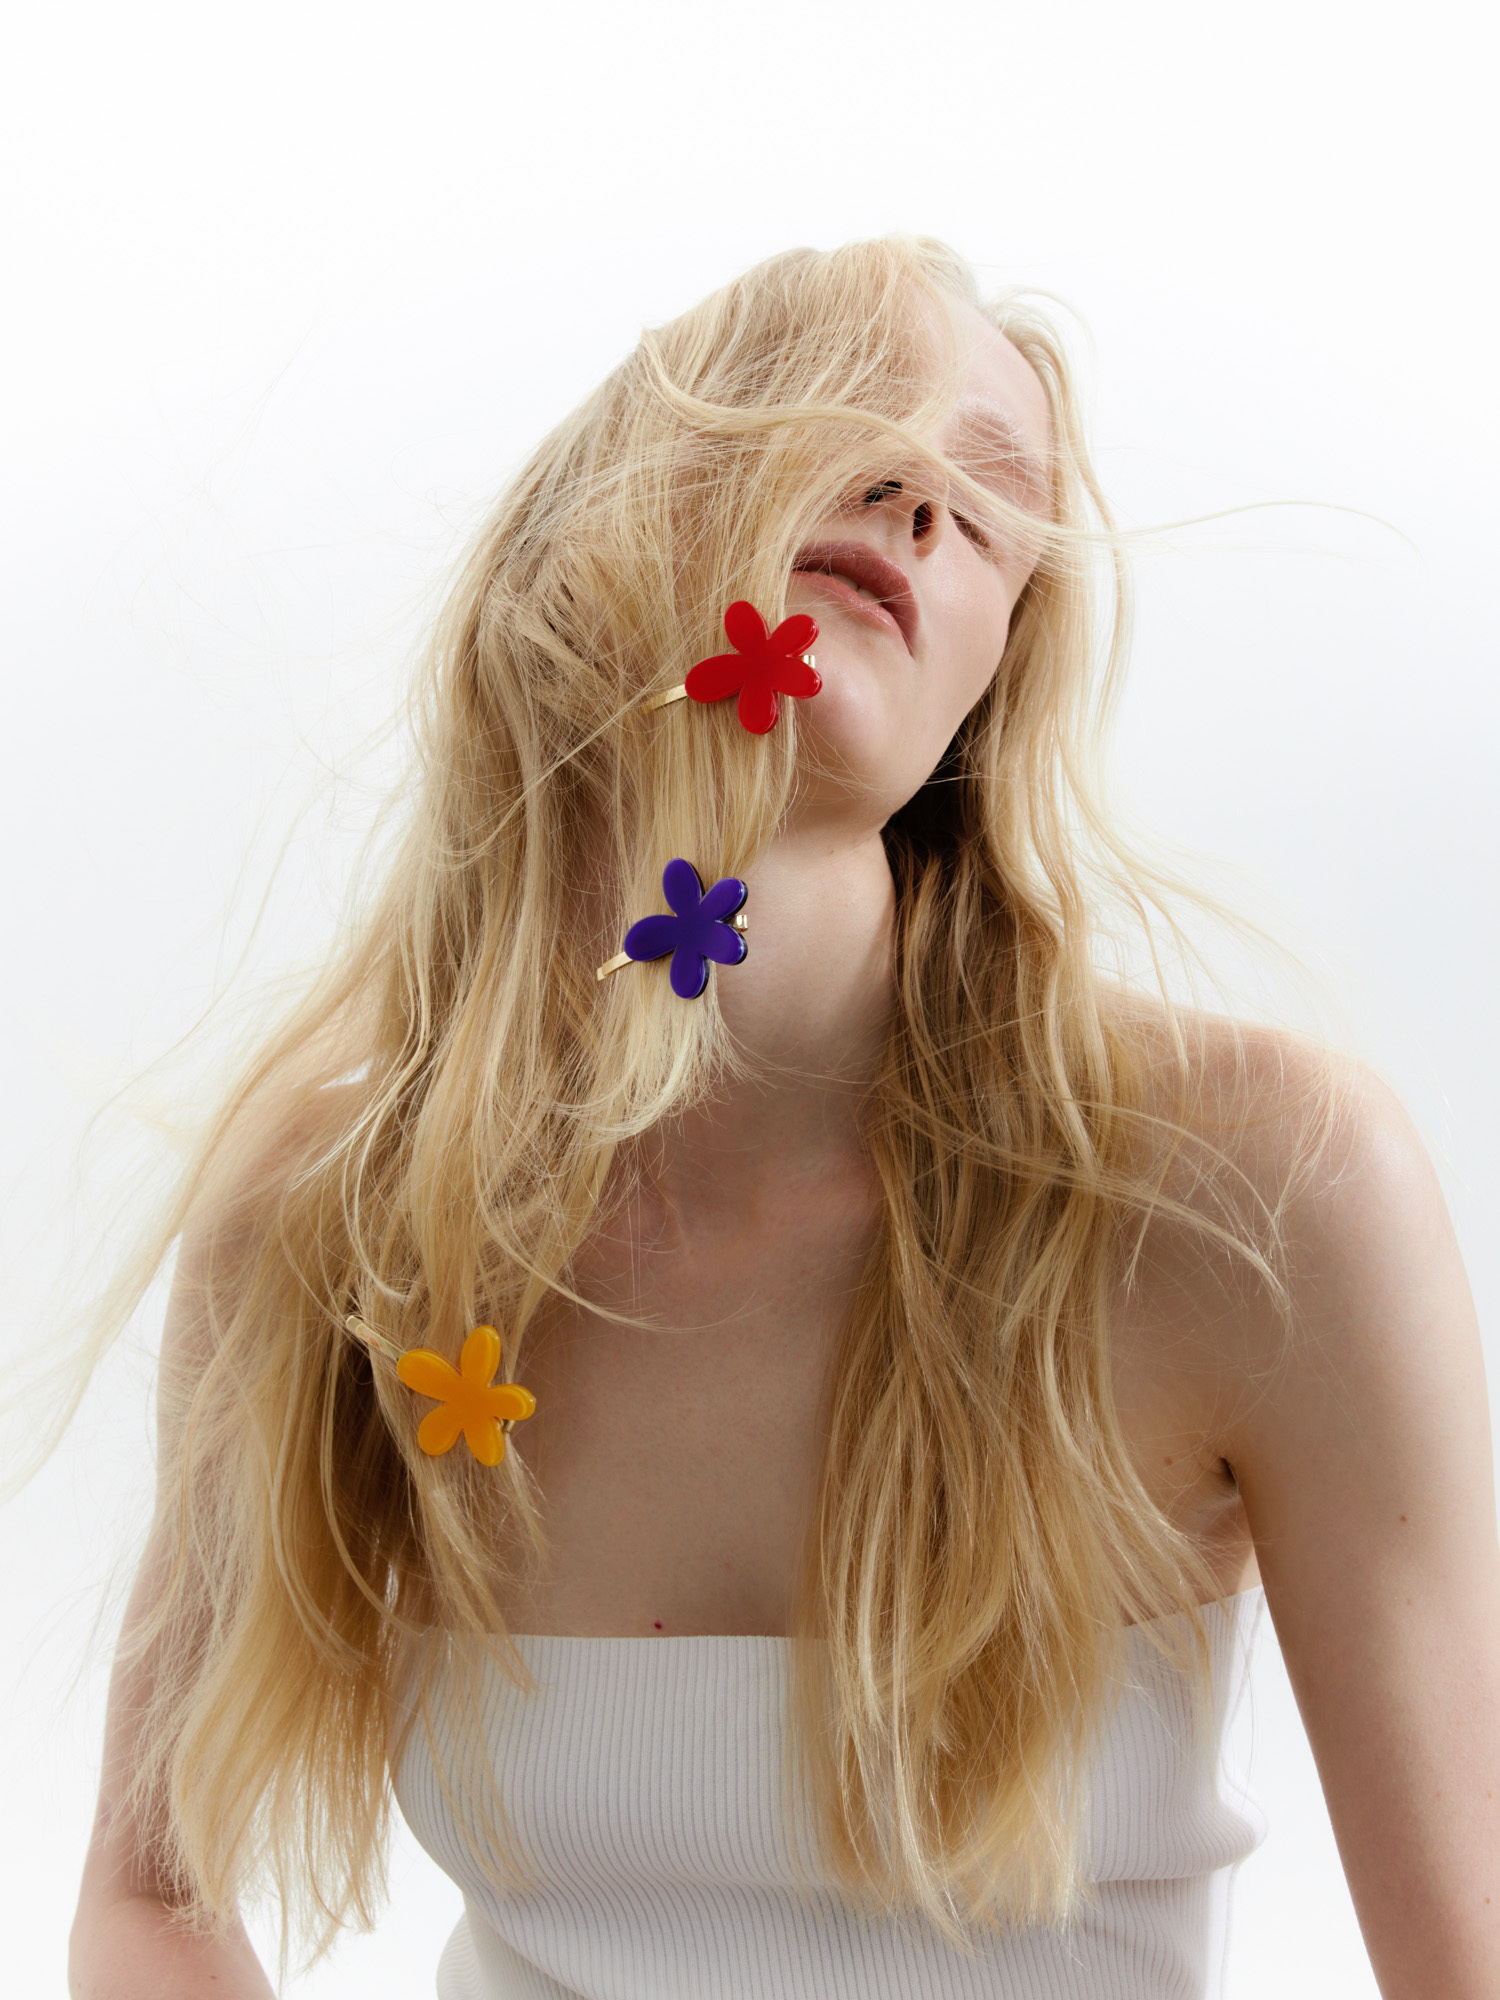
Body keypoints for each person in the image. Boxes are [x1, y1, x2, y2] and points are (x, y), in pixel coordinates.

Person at [66, 236, 1500, 2000]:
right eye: (844, 411)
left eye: (992, 502)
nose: (920, 498)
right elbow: (149, 1898)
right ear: (590, 514)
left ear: (986, 686)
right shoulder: (324, 1224)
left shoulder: (1262, 1194)